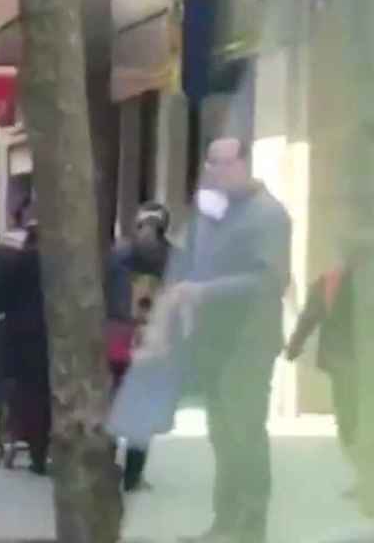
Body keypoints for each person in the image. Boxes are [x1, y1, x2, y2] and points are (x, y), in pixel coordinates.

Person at [173, 137, 291, 543]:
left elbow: (269, 279)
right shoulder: (217, 214)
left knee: (245, 433)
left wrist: (207, 292)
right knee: (221, 434)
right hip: (214, 341)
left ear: (244, 164)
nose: (219, 170)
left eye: (226, 162)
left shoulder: (268, 214)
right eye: (213, 163)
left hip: (249, 342)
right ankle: (225, 522)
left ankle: (251, 527)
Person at [105, 202, 175, 492]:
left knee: (110, 405)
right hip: (152, 343)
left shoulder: (118, 254)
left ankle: (106, 469)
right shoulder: (174, 258)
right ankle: (133, 476)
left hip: (116, 339)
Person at [285, 245, 362, 498]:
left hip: (344, 364)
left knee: (349, 421)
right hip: (352, 363)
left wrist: (295, 345)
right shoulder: (330, 282)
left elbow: (309, 317)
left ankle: (364, 478)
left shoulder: (329, 282)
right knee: (353, 421)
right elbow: (310, 316)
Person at [0, 223, 51, 473]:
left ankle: (29, 445)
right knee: (45, 395)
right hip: (50, 336)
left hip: (18, 338)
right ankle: (42, 448)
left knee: (23, 394)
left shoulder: (15, 263)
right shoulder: (60, 268)